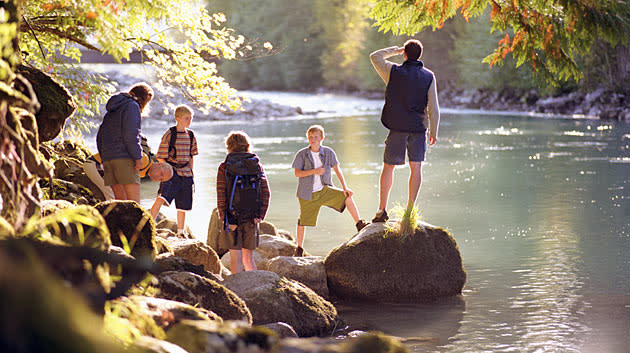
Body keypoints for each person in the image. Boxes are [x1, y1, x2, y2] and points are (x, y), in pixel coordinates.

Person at [369, 39, 440, 222]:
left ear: (405, 54)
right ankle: (409, 210)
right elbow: (434, 107)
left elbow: (374, 56)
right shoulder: (429, 76)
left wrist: (396, 50)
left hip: (397, 127)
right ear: (420, 55)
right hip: (418, 128)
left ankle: (381, 210)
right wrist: (434, 131)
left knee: (388, 167)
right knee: (416, 167)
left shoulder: (392, 71)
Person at [291, 125, 368, 257]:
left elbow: (338, 170)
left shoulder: (328, 152)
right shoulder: (302, 154)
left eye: (316, 137)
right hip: (307, 195)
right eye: (310, 137)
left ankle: (359, 223)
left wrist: (345, 188)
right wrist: (314, 171)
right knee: (302, 221)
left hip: (325, 190)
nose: (313, 139)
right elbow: (297, 173)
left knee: (347, 197)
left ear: (322, 138)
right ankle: (299, 249)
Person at [216, 131, 270, 272]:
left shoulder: (225, 166)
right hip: (252, 217)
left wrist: (224, 217)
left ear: (229, 146)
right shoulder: (256, 165)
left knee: (236, 260)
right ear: (247, 145)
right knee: (248, 258)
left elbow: (221, 194)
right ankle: (254, 289)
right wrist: (260, 215)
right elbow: (266, 192)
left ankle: (236, 292)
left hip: (232, 217)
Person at [96, 82, 154, 203]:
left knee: (120, 204)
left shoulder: (114, 108)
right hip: (124, 158)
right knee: (134, 204)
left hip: (108, 159)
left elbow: (100, 135)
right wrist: (138, 158)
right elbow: (131, 135)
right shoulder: (132, 106)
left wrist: (104, 156)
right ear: (145, 98)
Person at [149, 105, 198, 236]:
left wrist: (191, 172)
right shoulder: (170, 134)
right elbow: (160, 157)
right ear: (178, 118)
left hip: (186, 174)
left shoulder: (191, 135)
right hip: (172, 173)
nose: (189, 121)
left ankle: (181, 232)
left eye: (190, 118)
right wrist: (169, 172)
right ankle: (148, 225)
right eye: (186, 118)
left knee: (183, 206)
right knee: (161, 198)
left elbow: (191, 155)